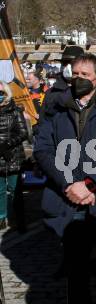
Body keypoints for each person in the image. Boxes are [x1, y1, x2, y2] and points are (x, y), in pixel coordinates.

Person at [33, 53, 96, 304]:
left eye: (84, 75)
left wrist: (90, 183)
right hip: (67, 199)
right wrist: (69, 184)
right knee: (76, 272)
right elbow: (43, 150)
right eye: (74, 74)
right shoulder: (55, 107)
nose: (78, 79)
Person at [0, 81, 28, 230]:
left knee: (14, 189)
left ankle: (19, 219)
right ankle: (1, 218)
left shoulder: (15, 110)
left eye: (1, 93)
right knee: (0, 190)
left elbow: (24, 132)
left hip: (12, 156)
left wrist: (7, 144)